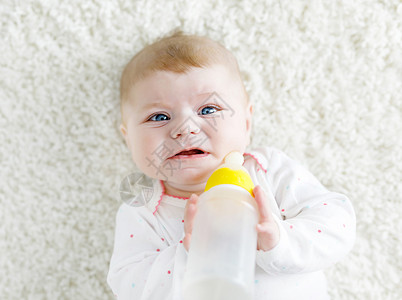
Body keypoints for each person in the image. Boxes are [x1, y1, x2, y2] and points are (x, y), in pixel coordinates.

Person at [107, 31, 356, 300]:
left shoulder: (267, 170)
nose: (185, 129)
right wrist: (188, 254)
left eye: (208, 110)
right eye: (159, 116)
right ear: (127, 138)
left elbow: (335, 223)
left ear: (246, 123)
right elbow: (129, 285)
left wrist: (280, 240)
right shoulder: (143, 210)